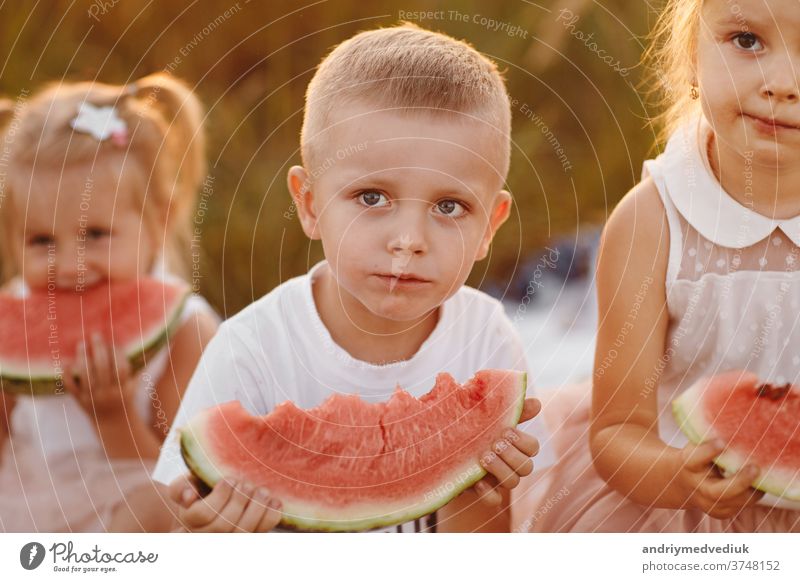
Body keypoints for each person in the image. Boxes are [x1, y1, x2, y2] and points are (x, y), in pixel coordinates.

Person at [151, 22, 549, 533]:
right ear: (311, 205)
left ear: (489, 227)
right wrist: (205, 529)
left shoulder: (486, 340)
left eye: (450, 206)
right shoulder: (250, 348)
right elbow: (171, 518)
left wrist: (473, 492)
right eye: (371, 198)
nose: (409, 239)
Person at [511, 0, 800, 533]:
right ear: (691, 56)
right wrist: (675, 474)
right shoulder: (653, 223)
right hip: (675, 509)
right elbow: (619, 430)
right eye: (746, 40)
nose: (782, 83)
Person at [0, 73, 219, 532]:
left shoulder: (187, 331)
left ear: (162, 219)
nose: (69, 266)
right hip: (24, 505)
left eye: (94, 235)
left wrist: (113, 415)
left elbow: (189, 488)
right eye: (41, 241)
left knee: (159, 516)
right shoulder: (13, 314)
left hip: (125, 511)